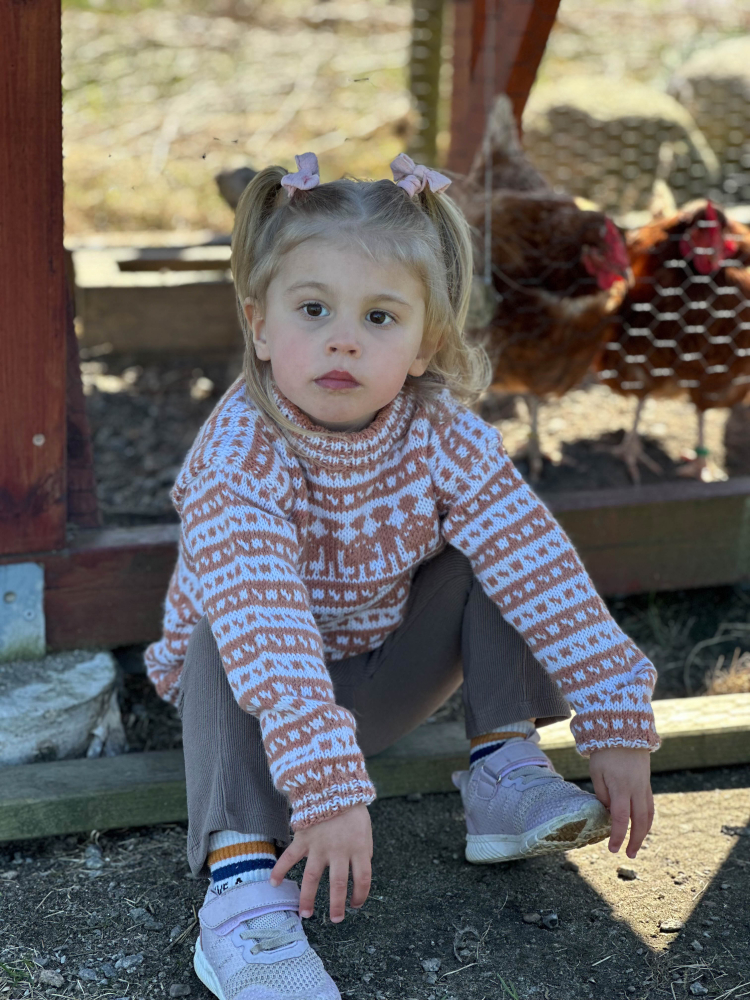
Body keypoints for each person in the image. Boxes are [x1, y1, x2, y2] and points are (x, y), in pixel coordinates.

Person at [145, 151, 659, 1000]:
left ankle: (504, 768)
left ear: (425, 346)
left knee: (498, 545)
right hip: (254, 715)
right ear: (260, 326)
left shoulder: (437, 431)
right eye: (314, 309)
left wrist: (615, 716)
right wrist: (326, 791)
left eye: (380, 317)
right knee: (226, 620)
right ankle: (242, 889)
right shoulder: (238, 456)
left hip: (382, 680)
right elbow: (270, 642)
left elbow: (542, 567)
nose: (344, 338)